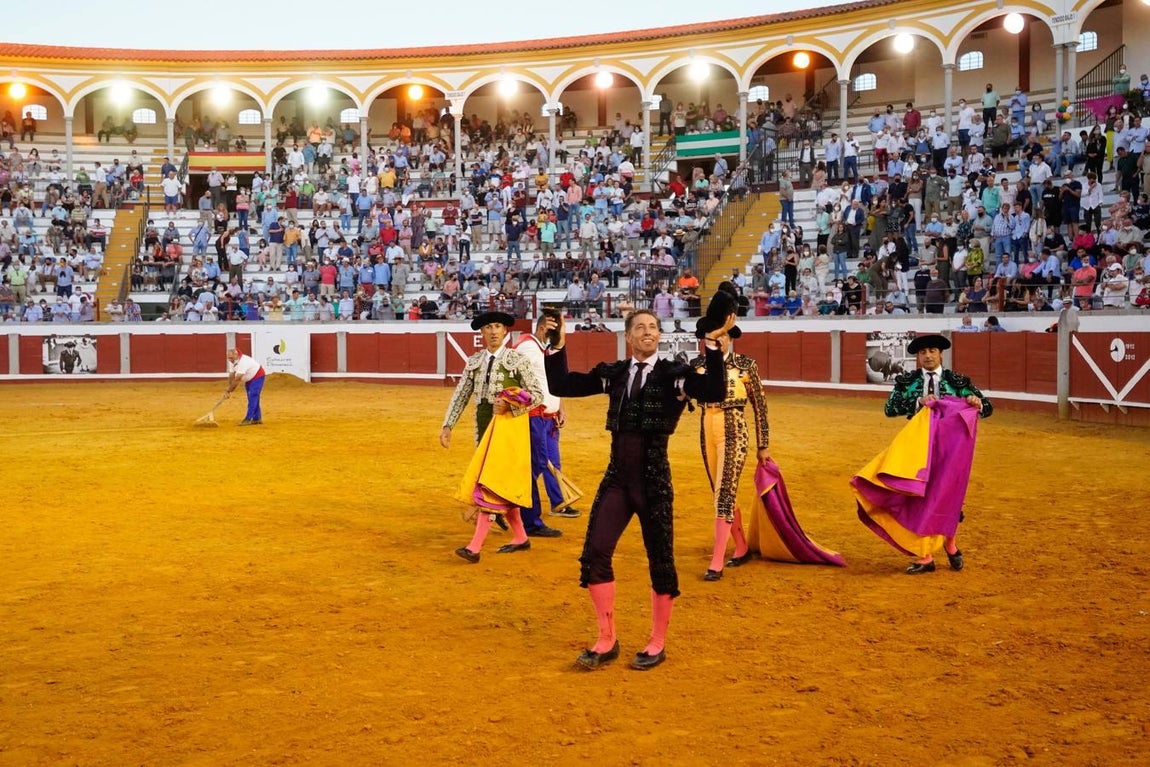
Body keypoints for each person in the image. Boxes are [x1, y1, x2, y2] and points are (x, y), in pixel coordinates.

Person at [543, 309, 732, 671]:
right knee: (595, 552)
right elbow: (562, 386)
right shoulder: (614, 375)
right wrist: (557, 345)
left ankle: (656, 642)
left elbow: (713, 390)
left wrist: (711, 345)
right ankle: (607, 638)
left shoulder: (674, 376)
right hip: (617, 478)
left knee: (660, 559)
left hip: (654, 480)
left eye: (653, 328)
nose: (648, 332)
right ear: (629, 337)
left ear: (659, 336)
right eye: (641, 328)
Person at [852, 334, 993, 575]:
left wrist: (974, 401)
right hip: (918, 446)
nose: (927, 355)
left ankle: (949, 543)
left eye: (932, 351)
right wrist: (918, 401)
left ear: (941, 354)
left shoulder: (958, 381)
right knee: (917, 496)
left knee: (949, 495)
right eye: (922, 352)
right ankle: (925, 555)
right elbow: (890, 409)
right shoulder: (907, 381)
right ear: (917, 357)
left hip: (951, 447)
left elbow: (987, 407)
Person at [440, 311, 545, 562]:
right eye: (488, 327)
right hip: (484, 427)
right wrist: (448, 425)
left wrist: (512, 406)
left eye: (498, 326)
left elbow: (538, 395)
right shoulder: (474, 361)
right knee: (498, 486)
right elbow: (462, 394)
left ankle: (475, 547)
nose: (494, 331)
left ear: (506, 331)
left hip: (509, 431)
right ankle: (520, 536)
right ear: (482, 333)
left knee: (490, 486)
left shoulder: (516, 360)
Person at [689, 319, 769, 581]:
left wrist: (763, 445)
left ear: (730, 338)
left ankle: (716, 561)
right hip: (706, 427)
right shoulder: (697, 366)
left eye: (724, 335)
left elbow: (760, 406)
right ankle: (742, 546)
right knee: (720, 490)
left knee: (723, 492)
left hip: (734, 428)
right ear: (705, 339)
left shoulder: (745, 365)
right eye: (714, 335)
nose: (720, 340)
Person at [511, 316, 580, 540]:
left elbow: (550, 382)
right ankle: (522, 515)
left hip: (548, 417)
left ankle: (557, 502)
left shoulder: (541, 348)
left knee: (550, 462)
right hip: (533, 416)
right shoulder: (528, 347)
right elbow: (518, 380)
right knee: (535, 466)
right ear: (543, 328)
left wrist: (559, 406)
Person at [224, 347, 266, 426]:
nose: (230, 360)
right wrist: (228, 389)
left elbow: (237, 379)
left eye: (231, 358)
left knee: (252, 396)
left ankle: (248, 418)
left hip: (258, 376)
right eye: (228, 358)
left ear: (236, 355)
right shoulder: (232, 360)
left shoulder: (243, 361)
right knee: (253, 397)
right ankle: (257, 418)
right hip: (248, 379)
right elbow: (231, 375)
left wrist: (229, 391)